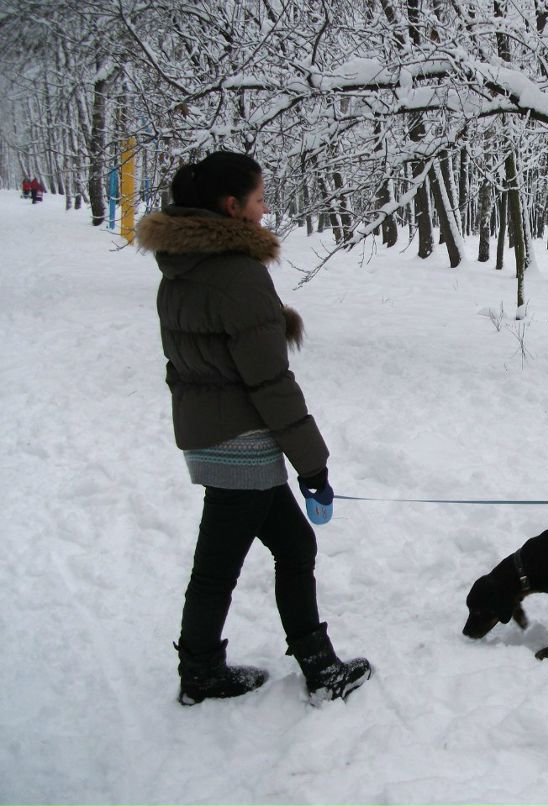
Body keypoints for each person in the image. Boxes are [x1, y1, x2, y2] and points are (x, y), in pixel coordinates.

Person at [135, 151, 372, 705]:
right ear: (230, 206)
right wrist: (312, 464)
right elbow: (269, 381)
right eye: (260, 199)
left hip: (210, 435)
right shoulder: (238, 275)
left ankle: (308, 663)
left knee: (293, 544)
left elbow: (188, 362)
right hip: (242, 444)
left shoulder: (179, 267)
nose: (265, 209)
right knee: (219, 567)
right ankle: (222, 672)